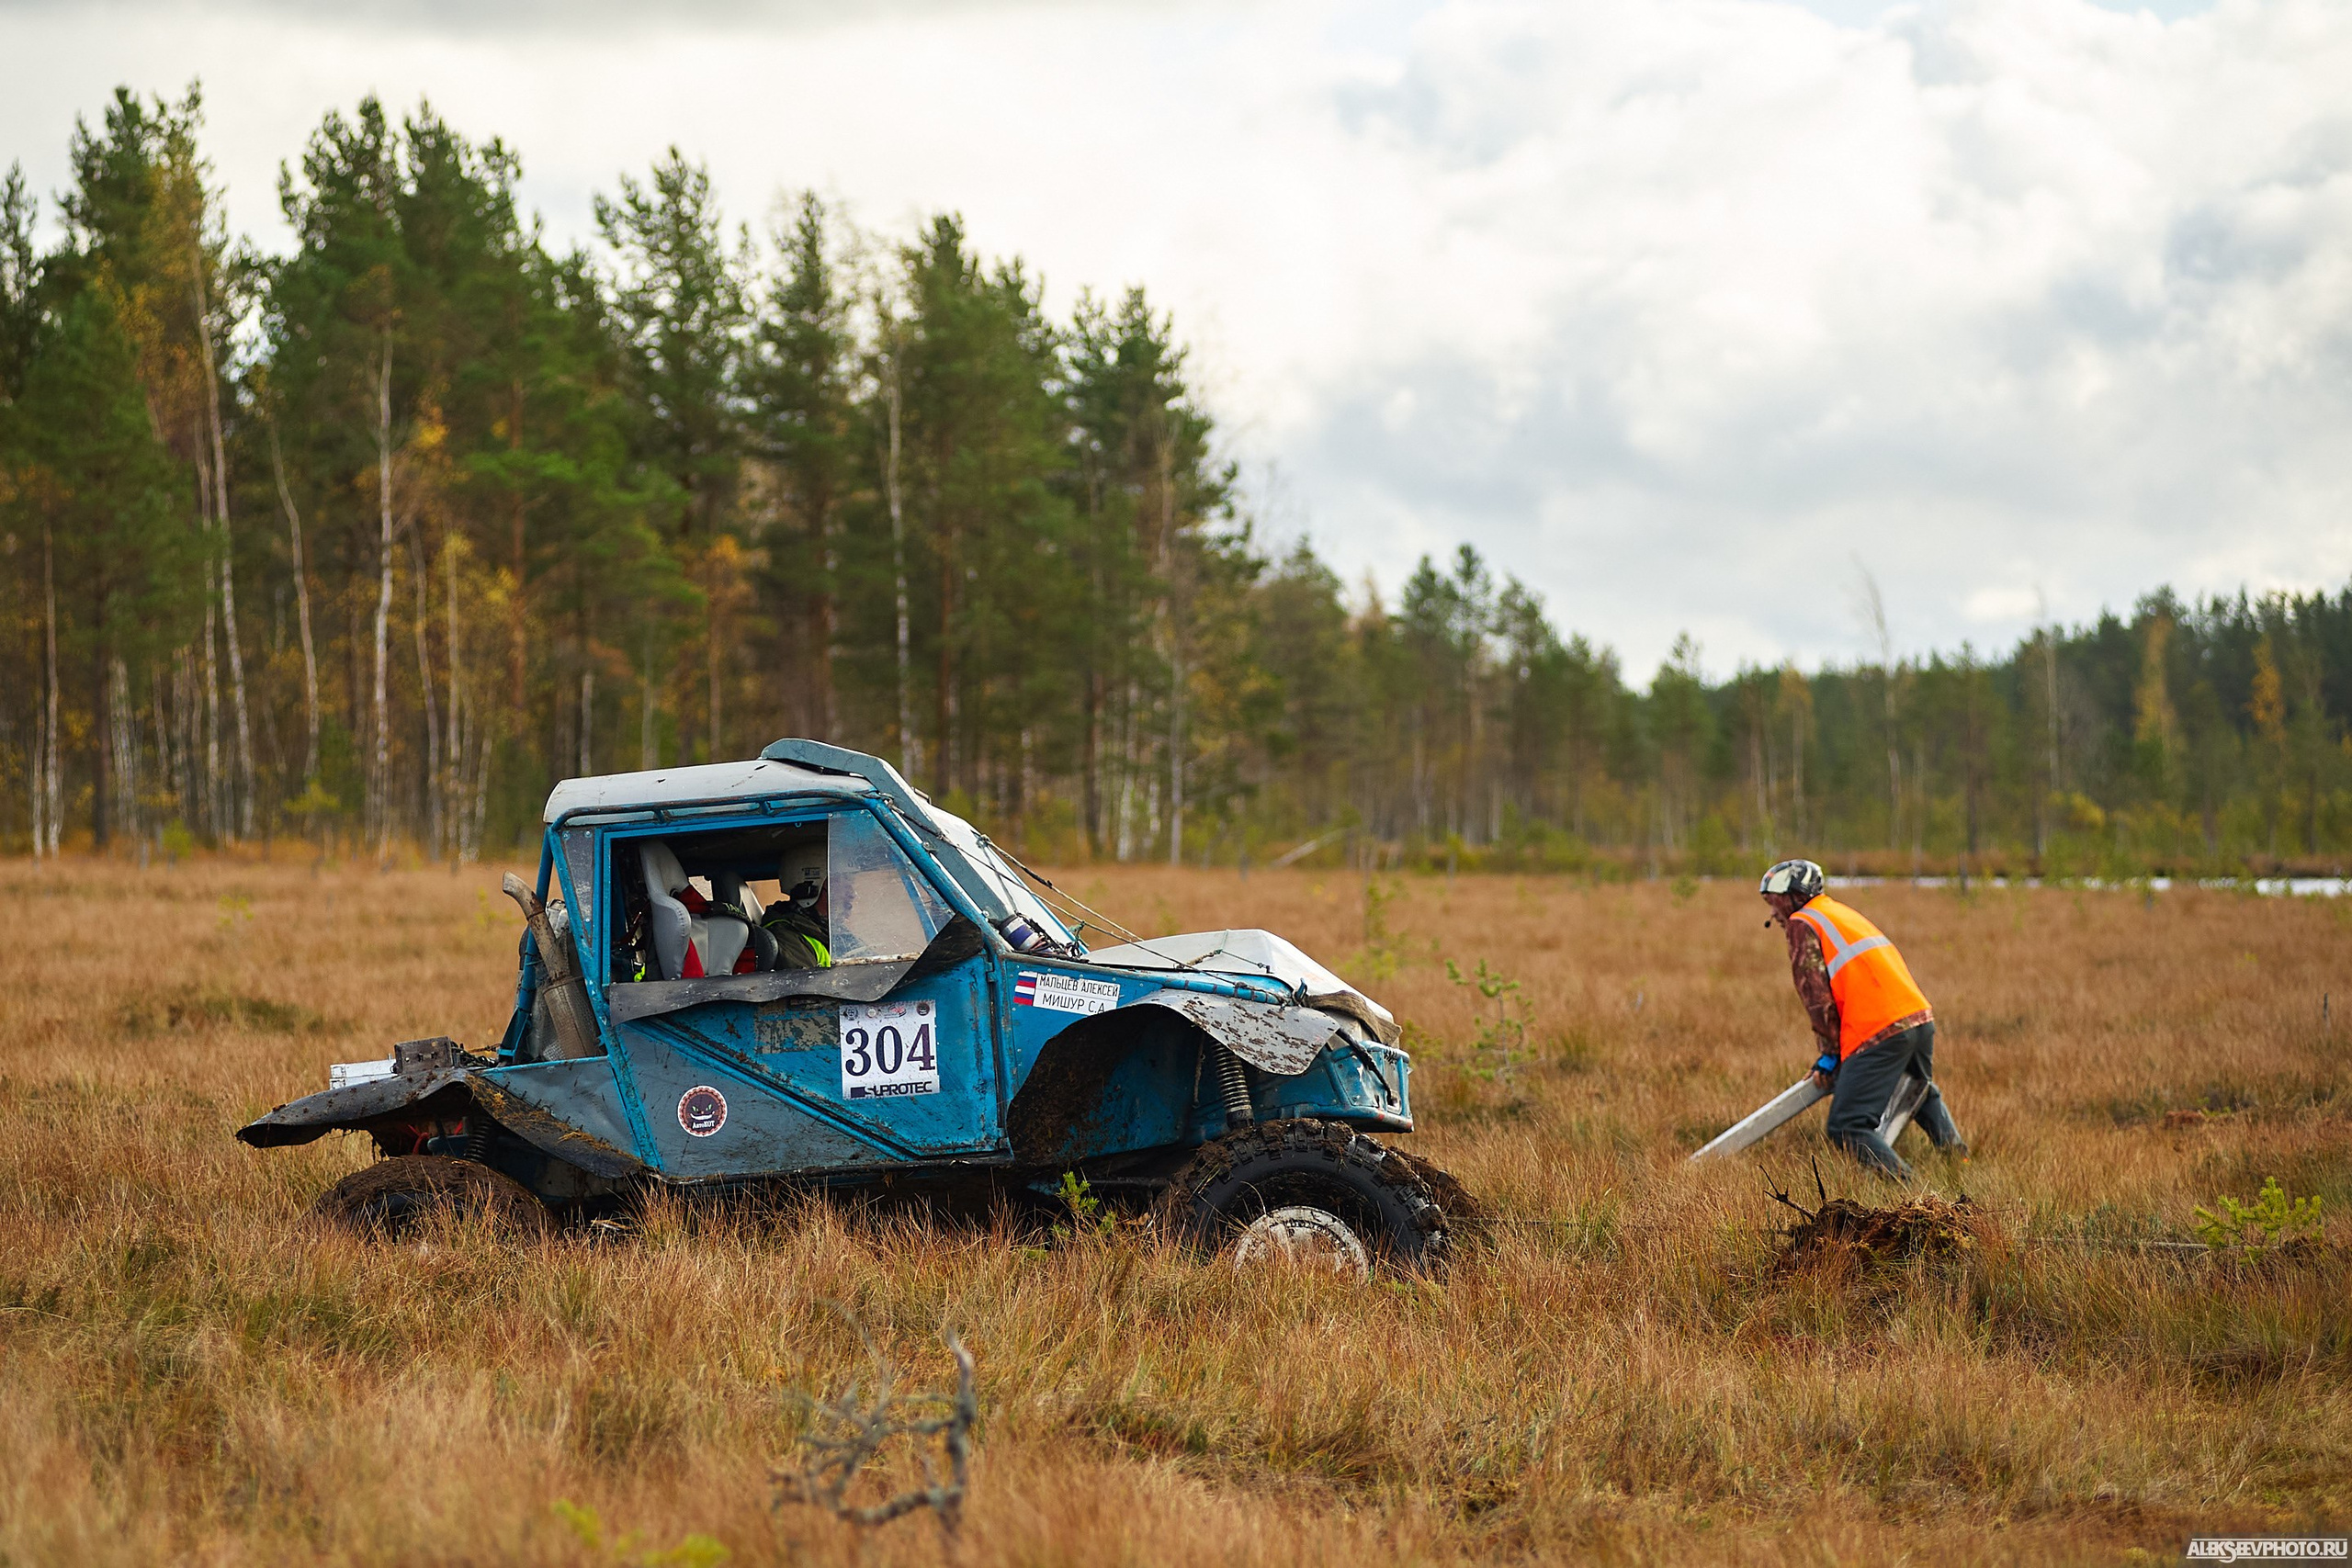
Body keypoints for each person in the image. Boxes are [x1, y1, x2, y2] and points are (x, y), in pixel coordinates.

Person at [1758, 859, 1965, 1177]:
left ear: (1794, 896)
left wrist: (1830, 1056)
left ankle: (1907, 1189)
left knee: (1848, 1125)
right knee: (1918, 1091)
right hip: (1918, 1018)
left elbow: (1816, 998)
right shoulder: (1838, 913)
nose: (1773, 912)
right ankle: (1961, 1164)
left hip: (1878, 1029)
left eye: (1775, 901)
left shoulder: (1803, 922)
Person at [763, 855, 832, 970]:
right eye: (841, 883)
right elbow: (807, 982)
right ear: (810, 889)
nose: (852, 893)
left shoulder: (828, 932)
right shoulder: (788, 939)